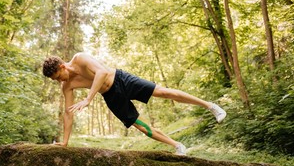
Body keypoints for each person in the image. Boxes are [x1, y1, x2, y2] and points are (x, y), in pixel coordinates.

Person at [42, 52, 226, 155]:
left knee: (163, 92)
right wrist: (65, 142)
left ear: (62, 67)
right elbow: (68, 112)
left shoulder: (80, 59)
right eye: (55, 80)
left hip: (121, 80)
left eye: (58, 76)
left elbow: (101, 73)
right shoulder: (67, 86)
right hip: (111, 96)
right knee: (142, 127)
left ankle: (210, 106)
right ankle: (177, 145)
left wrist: (89, 99)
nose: (59, 81)